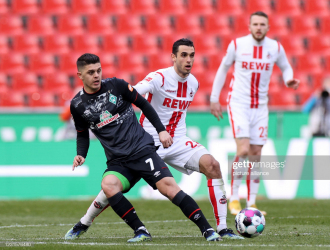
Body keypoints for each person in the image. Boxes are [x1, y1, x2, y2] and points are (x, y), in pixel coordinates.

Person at [65, 39, 243, 241]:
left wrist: (163, 130)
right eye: (184, 55)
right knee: (109, 188)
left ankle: (221, 228)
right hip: (149, 140)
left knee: (212, 165)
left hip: (174, 141)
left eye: (192, 55)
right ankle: (85, 222)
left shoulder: (193, 83)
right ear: (173, 57)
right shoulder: (157, 78)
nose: (189, 60)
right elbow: (137, 93)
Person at [210, 11, 300, 215]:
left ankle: (251, 203)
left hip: (260, 106)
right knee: (242, 150)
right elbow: (223, 69)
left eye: (262, 24)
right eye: (255, 24)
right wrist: (214, 98)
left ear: (268, 28)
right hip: (239, 103)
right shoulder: (237, 45)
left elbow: (286, 67)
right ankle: (233, 199)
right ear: (249, 27)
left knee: (256, 155)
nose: (259, 27)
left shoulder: (275, 47)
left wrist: (289, 79)